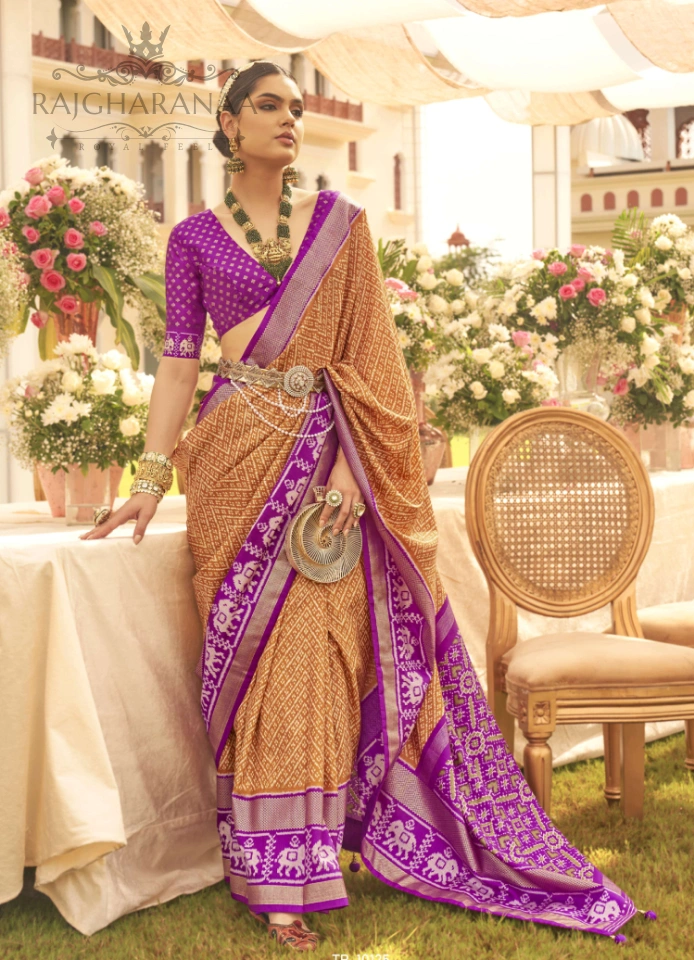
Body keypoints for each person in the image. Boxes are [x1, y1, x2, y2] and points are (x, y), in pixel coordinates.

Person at [82, 60, 640, 951]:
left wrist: (352, 472)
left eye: (297, 108)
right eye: (269, 105)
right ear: (229, 124)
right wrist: (148, 481)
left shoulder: (342, 228)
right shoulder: (190, 239)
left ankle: (298, 869)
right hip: (232, 468)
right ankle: (266, 861)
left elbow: (373, 365)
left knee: (314, 656)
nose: (290, 119)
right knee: (251, 663)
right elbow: (179, 368)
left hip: (328, 472)